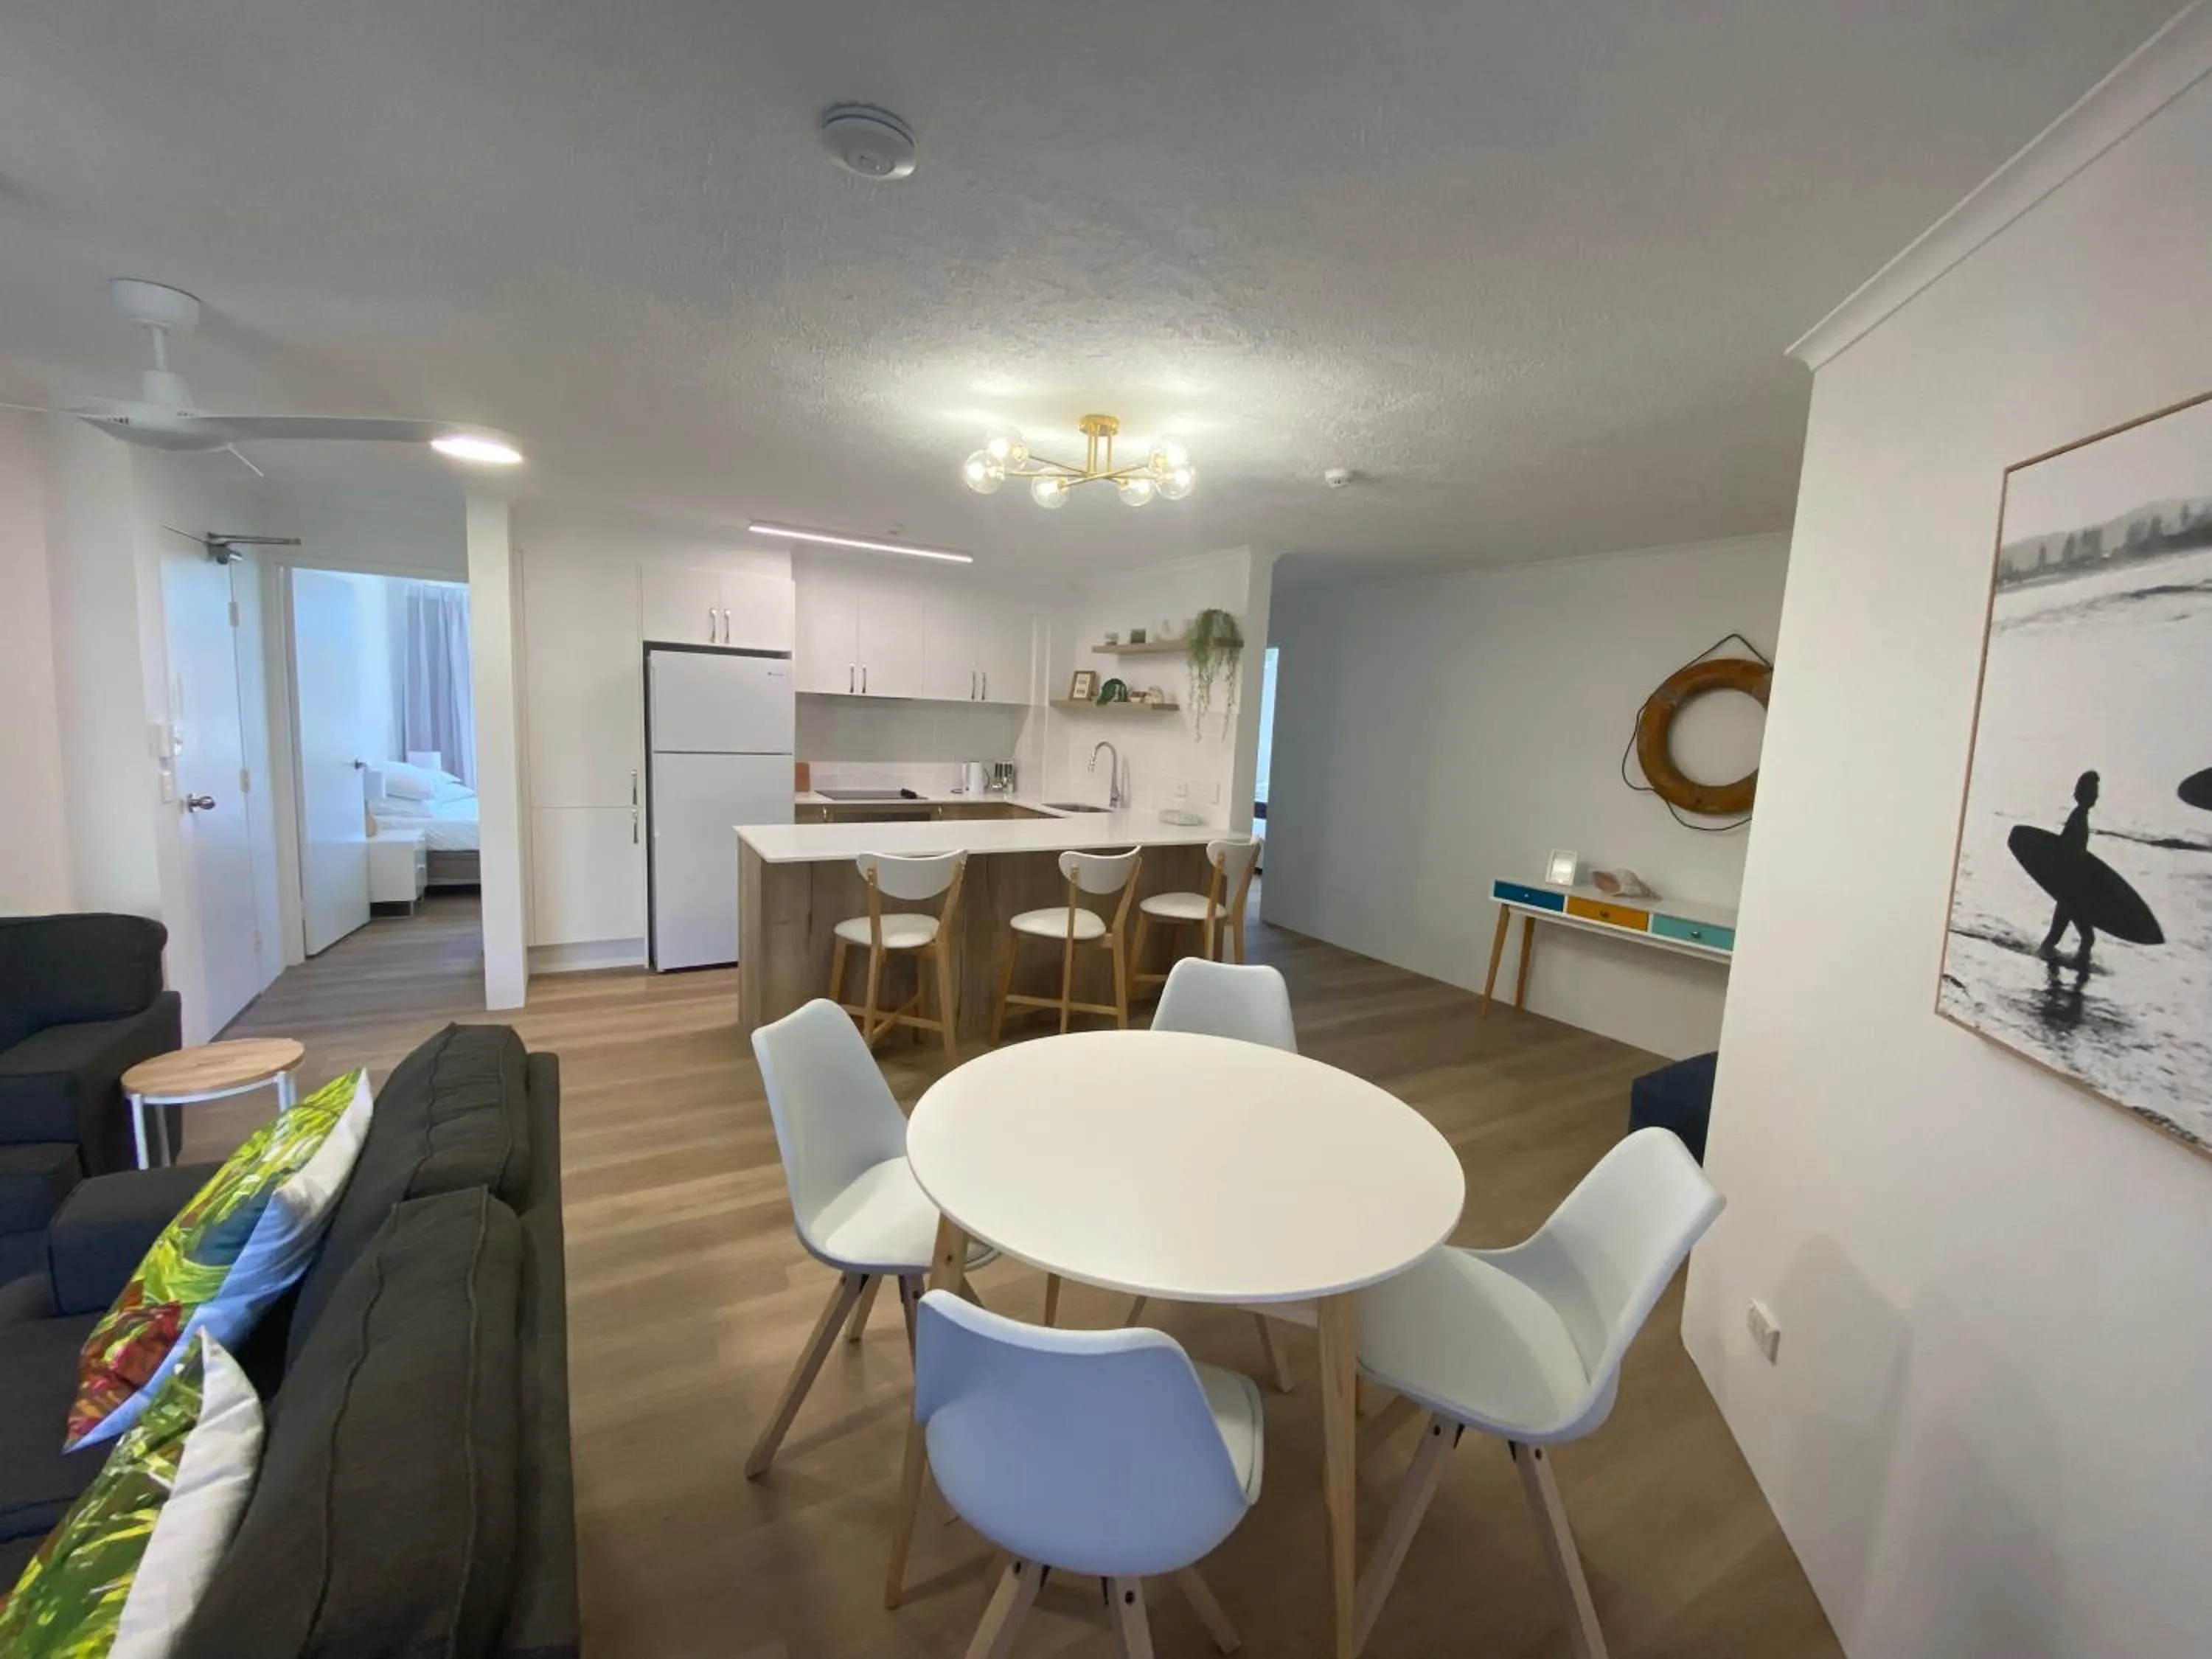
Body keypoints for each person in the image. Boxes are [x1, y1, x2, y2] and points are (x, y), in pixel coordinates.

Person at [2037, 770, 2100, 970]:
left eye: (2096, 792)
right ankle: (2077, 974)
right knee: (2084, 938)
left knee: (2057, 937)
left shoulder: (2079, 817)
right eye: (2092, 792)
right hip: (2070, 890)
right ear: (2083, 794)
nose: (2096, 796)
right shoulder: (2078, 819)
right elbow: (2066, 850)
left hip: (2071, 889)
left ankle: (2057, 971)